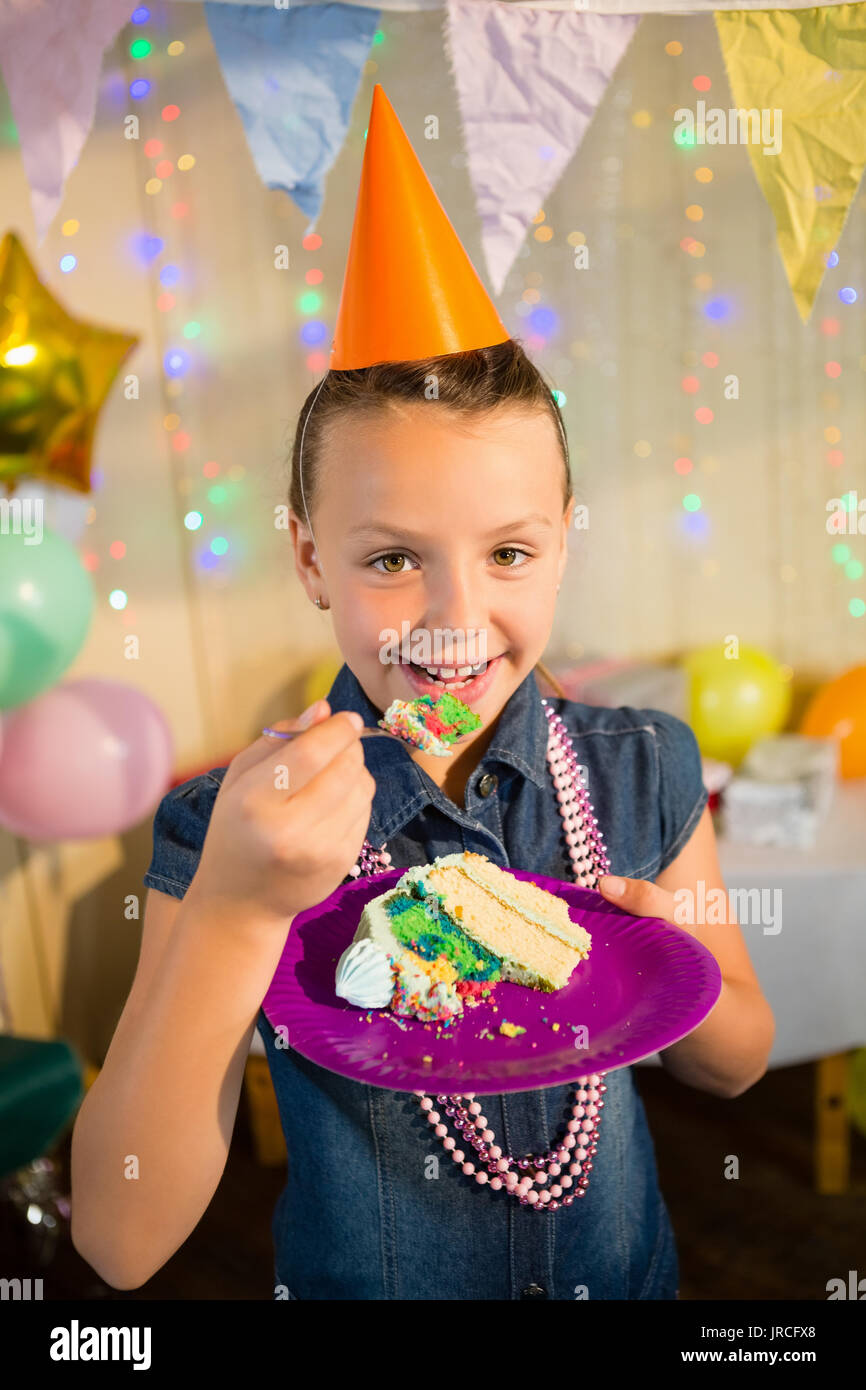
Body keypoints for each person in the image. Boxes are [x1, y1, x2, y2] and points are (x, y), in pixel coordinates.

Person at [69, 87, 774, 1300]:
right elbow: (117, 1239)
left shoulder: (640, 765)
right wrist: (240, 909)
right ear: (307, 559)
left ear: (562, 541)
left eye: (506, 553)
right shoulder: (225, 827)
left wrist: (667, 964)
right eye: (392, 556)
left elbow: (737, 1064)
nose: (453, 620)